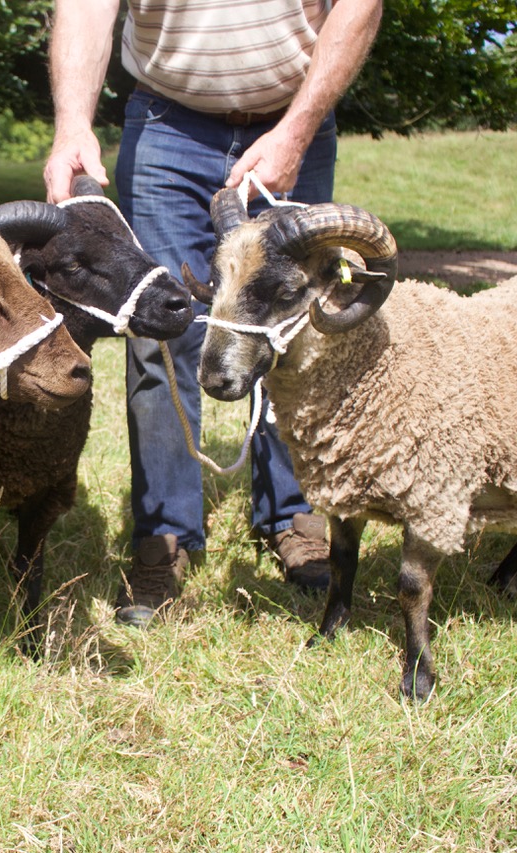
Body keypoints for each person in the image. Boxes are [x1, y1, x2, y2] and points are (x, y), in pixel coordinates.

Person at [43, 0, 383, 626]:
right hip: (165, 127)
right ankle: (165, 535)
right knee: (161, 326)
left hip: (293, 118)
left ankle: (292, 516)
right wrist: (72, 126)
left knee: (286, 323)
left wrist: (298, 128)